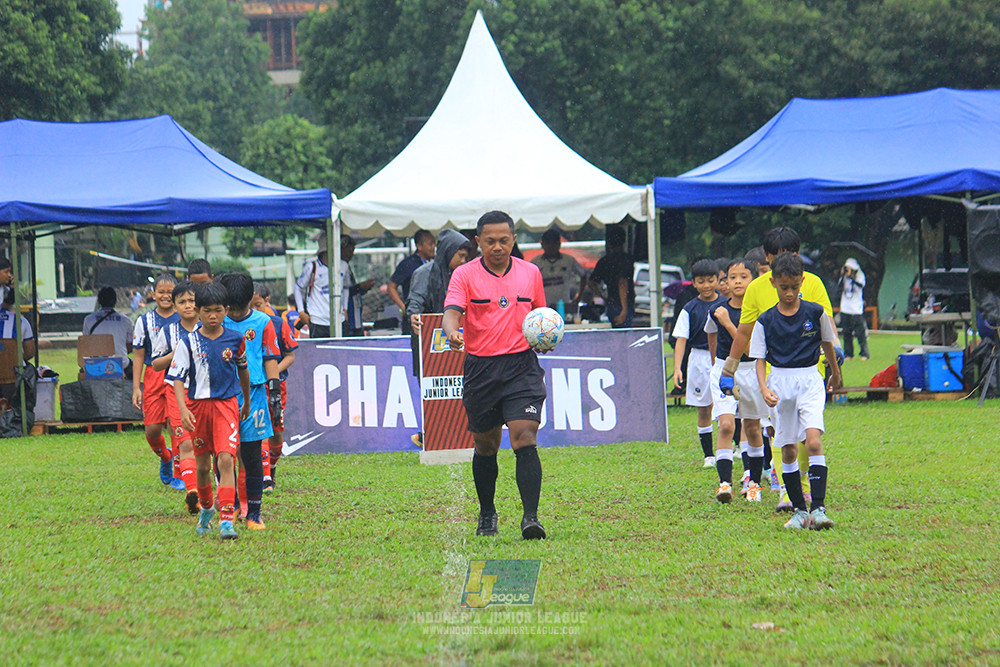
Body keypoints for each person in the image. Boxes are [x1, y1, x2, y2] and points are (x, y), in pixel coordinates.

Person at [443, 211, 549, 540]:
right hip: (482, 368)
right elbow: (452, 313)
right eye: (490, 241)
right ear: (478, 242)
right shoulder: (464, 274)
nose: (498, 247)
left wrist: (545, 338)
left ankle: (530, 518)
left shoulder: (531, 273)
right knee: (486, 445)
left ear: (514, 239)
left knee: (524, 436)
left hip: (521, 366)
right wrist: (452, 332)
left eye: (504, 240)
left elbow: (541, 317)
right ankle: (487, 513)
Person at [720, 227, 842, 512]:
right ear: (767, 257)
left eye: (791, 255)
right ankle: (789, 491)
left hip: (811, 369)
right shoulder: (757, 288)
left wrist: (835, 351)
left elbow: (826, 322)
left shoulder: (811, 282)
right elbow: (744, 331)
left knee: (808, 435)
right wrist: (730, 367)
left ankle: (808, 488)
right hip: (778, 372)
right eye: (778, 256)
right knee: (780, 433)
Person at [751, 253, 842, 529]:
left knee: (813, 441)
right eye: (783, 287)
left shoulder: (815, 313)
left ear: (802, 281)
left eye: (794, 287)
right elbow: (759, 360)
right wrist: (764, 388)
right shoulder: (765, 321)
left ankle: (819, 509)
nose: (790, 293)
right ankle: (799, 512)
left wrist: (835, 373)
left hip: (810, 380)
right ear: (773, 283)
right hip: (780, 384)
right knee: (788, 450)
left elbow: (828, 345)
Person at [167, 281, 251, 540]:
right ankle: (206, 510)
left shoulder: (235, 339)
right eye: (207, 311)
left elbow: (243, 370)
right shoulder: (188, 342)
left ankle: (227, 520)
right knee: (203, 466)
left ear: (226, 310)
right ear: (198, 311)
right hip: (198, 407)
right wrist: (182, 408)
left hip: (226, 405)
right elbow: (178, 378)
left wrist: (246, 400)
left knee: (226, 459)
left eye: (218, 310)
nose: (212, 316)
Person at [705, 258, 771, 503]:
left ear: (754, 281)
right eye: (732, 277)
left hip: (751, 370)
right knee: (726, 425)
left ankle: (752, 484)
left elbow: (750, 349)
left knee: (753, 428)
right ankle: (725, 484)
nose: (738, 281)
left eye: (744, 276)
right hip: (725, 371)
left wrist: (729, 323)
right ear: (726, 282)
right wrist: (716, 365)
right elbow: (711, 334)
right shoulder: (717, 310)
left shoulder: (758, 313)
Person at [219, 272, 280, 530]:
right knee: (223, 455)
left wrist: (274, 392)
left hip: (253, 394)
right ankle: (230, 506)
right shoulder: (215, 321)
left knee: (253, 454)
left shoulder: (263, 322)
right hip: (221, 395)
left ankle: (254, 512)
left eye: (240, 306)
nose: (234, 312)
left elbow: (270, 358)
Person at [405, 230, 475, 448]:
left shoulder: (465, 275)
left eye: (466, 257)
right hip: (429, 344)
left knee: (464, 390)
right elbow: (414, 302)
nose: (464, 261)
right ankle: (431, 435)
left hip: (460, 341)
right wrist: (413, 316)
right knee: (434, 392)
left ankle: (464, 437)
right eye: (460, 256)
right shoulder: (423, 273)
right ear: (447, 252)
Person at [150, 282, 201, 513]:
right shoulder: (168, 331)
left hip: (205, 392)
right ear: (175, 305)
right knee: (186, 442)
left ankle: (211, 489)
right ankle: (193, 493)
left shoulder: (209, 326)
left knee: (205, 444)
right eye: (182, 302)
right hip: (176, 391)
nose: (188, 305)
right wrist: (175, 353)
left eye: (192, 300)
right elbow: (156, 363)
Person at [131, 273, 183, 491]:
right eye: (161, 291)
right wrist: (136, 387)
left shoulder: (184, 318)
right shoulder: (144, 321)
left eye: (170, 292)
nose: (165, 296)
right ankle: (165, 456)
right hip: (153, 376)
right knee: (152, 430)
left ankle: (180, 475)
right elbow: (139, 354)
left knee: (176, 426)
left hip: (177, 375)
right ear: (153, 294)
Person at [671, 259, 724, 469]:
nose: (707, 285)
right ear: (694, 283)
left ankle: (734, 448)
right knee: (703, 408)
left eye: (711, 281)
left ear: (718, 280)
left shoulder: (726, 304)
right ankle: (709, 455)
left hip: (722, 358)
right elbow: (681, 339)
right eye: (701, 282)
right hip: (699, 359)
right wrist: (677, 368)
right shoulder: (689, 308)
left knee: (728, 406)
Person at [252, 282, 297, 492]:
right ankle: (265, 477)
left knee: (276, 432)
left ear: (267, 301)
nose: (254, 310)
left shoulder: (279, 324)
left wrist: (272, 373)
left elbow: (290, 356)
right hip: (254, 386)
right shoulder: (245, 325)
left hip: (277, 386)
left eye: (258, 305)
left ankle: (272, 466)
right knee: (260, 428)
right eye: (250, 306)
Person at [531, 228, 588, 319]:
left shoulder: (569, 260)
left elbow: (583, 276)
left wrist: (578, 298)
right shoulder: (535, 262)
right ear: (542, 245)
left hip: (564, 307)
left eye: (554, 243)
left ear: (559, 244)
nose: (551, 246)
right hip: (543, 309)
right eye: (548, 243)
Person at [388, 230, 436, 334]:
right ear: (419, 246)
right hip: (414, 315)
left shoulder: (436, 263)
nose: (434, 247)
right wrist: (403, 308)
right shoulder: (408, 264)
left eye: (434, 243)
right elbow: (391, 287)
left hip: (431, 316)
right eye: (430, 244)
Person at [587, 225, 634, 328]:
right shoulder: (626, 259)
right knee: (624, 337)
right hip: (623, 305)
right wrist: (624, 309)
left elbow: (591, 282)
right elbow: (622, 283)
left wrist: (603, 296)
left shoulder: (604, 261)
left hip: (611, 303)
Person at [83, 287, 133, 374]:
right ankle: (132, 387)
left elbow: (85, 345)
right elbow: (129, 347)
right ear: (115, 301)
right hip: (119, 363)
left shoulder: (89, 320)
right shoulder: (126, 320)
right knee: (131, 368)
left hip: (95, 363)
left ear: (98, 301)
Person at [294, 240, 332, 338]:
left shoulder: (341, 266)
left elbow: (346, 288)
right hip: (317, 319)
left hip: (337, 319)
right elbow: (298, 287)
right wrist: (301, 311)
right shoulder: (312, 267)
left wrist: (344, 309)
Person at [340, 236, 376, 337]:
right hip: (349, 319)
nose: (351, 254)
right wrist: (360, 286)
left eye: (353, 251)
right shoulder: (339, 268)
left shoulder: (347, 266)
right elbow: (344, 291)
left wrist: (364, 288)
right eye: (349, 251)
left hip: (356, 319)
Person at [838, 257, 869, 360]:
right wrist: (843, 275)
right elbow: (838, 287)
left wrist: (852, 277)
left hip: (856, 308)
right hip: (845, 307)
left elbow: (861, 285)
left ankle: (864, 353)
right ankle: (848, 354)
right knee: (846, 332)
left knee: (860, 332)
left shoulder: (860, 275)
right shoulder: (844, 277)